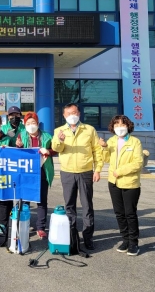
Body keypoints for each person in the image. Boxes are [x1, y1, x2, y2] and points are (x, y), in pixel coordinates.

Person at [51, 103, 104, 250]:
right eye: (68, 113)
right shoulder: (59, 130)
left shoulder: (89, 130)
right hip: (67, 172)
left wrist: (97, 170)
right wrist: (59, 140)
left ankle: (88, 237)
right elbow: (56, 148)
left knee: (87, 205)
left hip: (85, 171)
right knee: (69, 205)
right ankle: (71, 236)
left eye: (74, 112)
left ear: (79, 113)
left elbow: (97, 150)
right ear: (64, 116)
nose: (71, 116)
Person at [99, 115, 143, 256]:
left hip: (130, 183)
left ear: (128, 126)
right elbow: (106, 159)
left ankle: (133, 243)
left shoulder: (135, 142)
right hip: (114, 182)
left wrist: (120, 171)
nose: (119, 127)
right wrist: (104, 148)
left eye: (122, 124)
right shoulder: (111, 141)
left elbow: (138, 163)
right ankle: (125, 240)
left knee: (130, 213)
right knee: (119, 213)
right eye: (116, 125)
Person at [15, 112, 54, 239]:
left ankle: (41, 227)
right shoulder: (21, 135)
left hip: (42, 172)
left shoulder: (47, 136)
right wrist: (18, 146)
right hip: (26, 174)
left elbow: (55, 150)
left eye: (33, 122)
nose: (31, 125)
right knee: (24, 201)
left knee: (41, 201)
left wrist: (48, 151)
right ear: (25, 125)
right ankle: (23, 224)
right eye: (28, 123)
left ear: (37, 123)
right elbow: (17, 153)